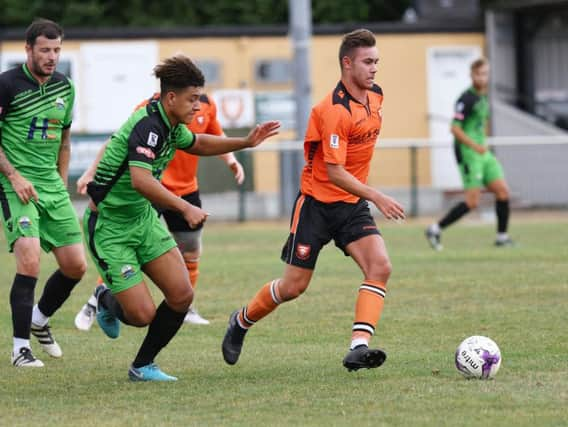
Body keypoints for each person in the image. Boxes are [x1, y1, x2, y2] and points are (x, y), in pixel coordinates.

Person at [82, 54, 279, 381]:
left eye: (199, 100)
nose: (198, 108)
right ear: (170, 97)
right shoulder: (148, 125)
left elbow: (199, 143)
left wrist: (245, 141)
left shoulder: (173, 124)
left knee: (182, 295)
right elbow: (141, 180)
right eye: (192, 100)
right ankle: (106, 299)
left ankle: (142, 366)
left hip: (143, 221)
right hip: (110, 227)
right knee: (142, 314)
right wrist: (184, 207)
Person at [221, 29, 405, 372]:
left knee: (380, 267)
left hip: (351, 205)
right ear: (347, 64)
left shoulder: (376, 96)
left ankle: (358, 348)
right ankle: (241, 321)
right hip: (316, 206)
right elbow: (334, 171)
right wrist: (377, 195)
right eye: (368, 62)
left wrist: (365, 196)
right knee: (293, 287)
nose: (374, 69)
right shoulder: (333, 110)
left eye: (377, 61)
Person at [74, 92, 244, 330]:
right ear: (173, 93)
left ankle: (184, 311)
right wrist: (91, 171)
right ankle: (102, 296)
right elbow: (117, 142)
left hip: (186, 190)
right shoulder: (147, 111)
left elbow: (207, 138)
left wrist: (235, 156)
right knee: (138, 304)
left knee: (190, 255)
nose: (196, 104)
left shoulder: (204, 107)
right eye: (191, 95)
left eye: (198, 92)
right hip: (153, 191)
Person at [0, 18, 87, 368]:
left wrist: (62, 182)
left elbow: (65, 142)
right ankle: (20, 348)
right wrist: (14, 176)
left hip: (51, 187)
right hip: (14, 184)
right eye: (45, 50)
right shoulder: (7, 85)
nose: (52, 57)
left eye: (57, 50)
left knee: (76, 266)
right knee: (31, 260)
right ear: (29, 50)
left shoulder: (65, 88)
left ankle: (39, 319)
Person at [425, 58, 514, 250]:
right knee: (472, 202)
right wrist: (475, 146)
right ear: (472, 75)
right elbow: (455, 129)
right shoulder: (465, 98)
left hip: (484, 153)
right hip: (470, 154)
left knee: (503, 191)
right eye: (479, 74)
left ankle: (502, 237)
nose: (483, 78)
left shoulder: (484, 97)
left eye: (486, 74)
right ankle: (435, 228)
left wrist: (482, 144)